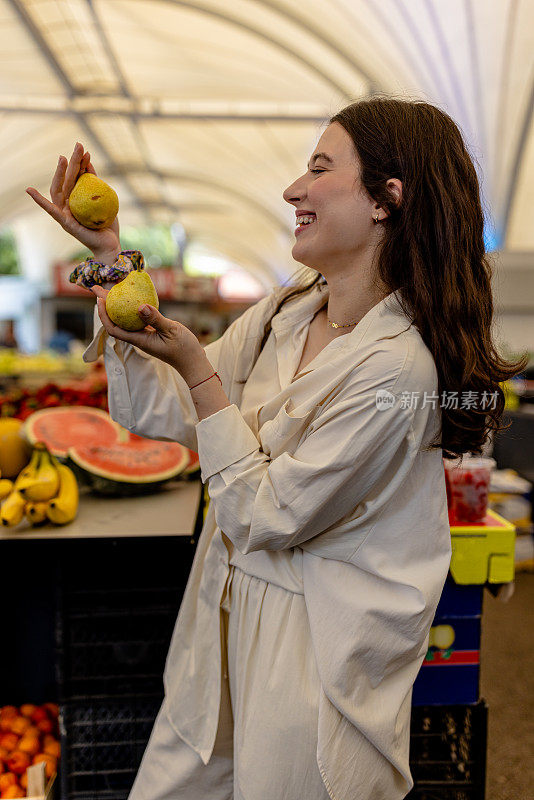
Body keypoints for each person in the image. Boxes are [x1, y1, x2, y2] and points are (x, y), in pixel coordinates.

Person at [26, 96, 527, 800]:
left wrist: (201, 374)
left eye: (320, 168)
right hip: (222, 621)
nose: (294, 188)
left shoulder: (395, 368)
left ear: (388, 197)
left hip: (310, 657)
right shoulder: (287, 313)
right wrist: (111, 260)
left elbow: (266, 515)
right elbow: (169, 407)